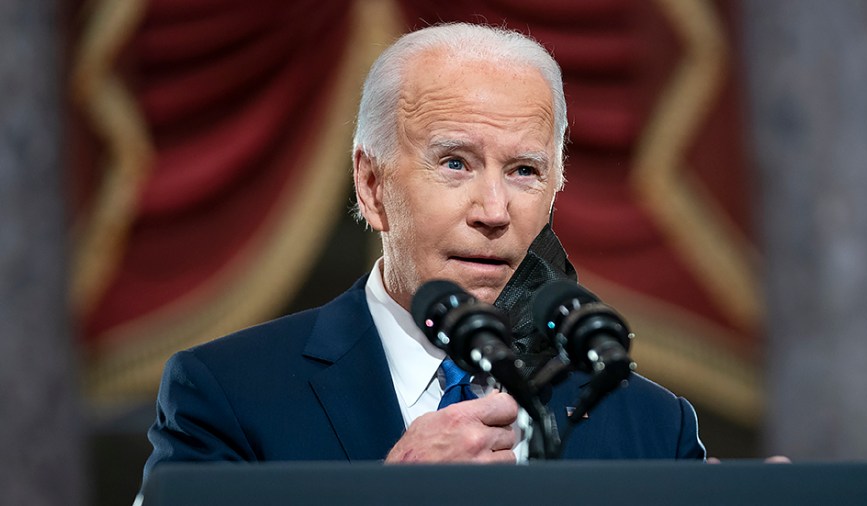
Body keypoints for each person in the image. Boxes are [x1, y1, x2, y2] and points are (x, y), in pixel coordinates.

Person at [141, 22, 705, 486]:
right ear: (371, 185)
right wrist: (387, 496)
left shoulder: (650, 426)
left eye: (524, 171)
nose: (493, 210)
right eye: (455, 163)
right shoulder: (226, 394)